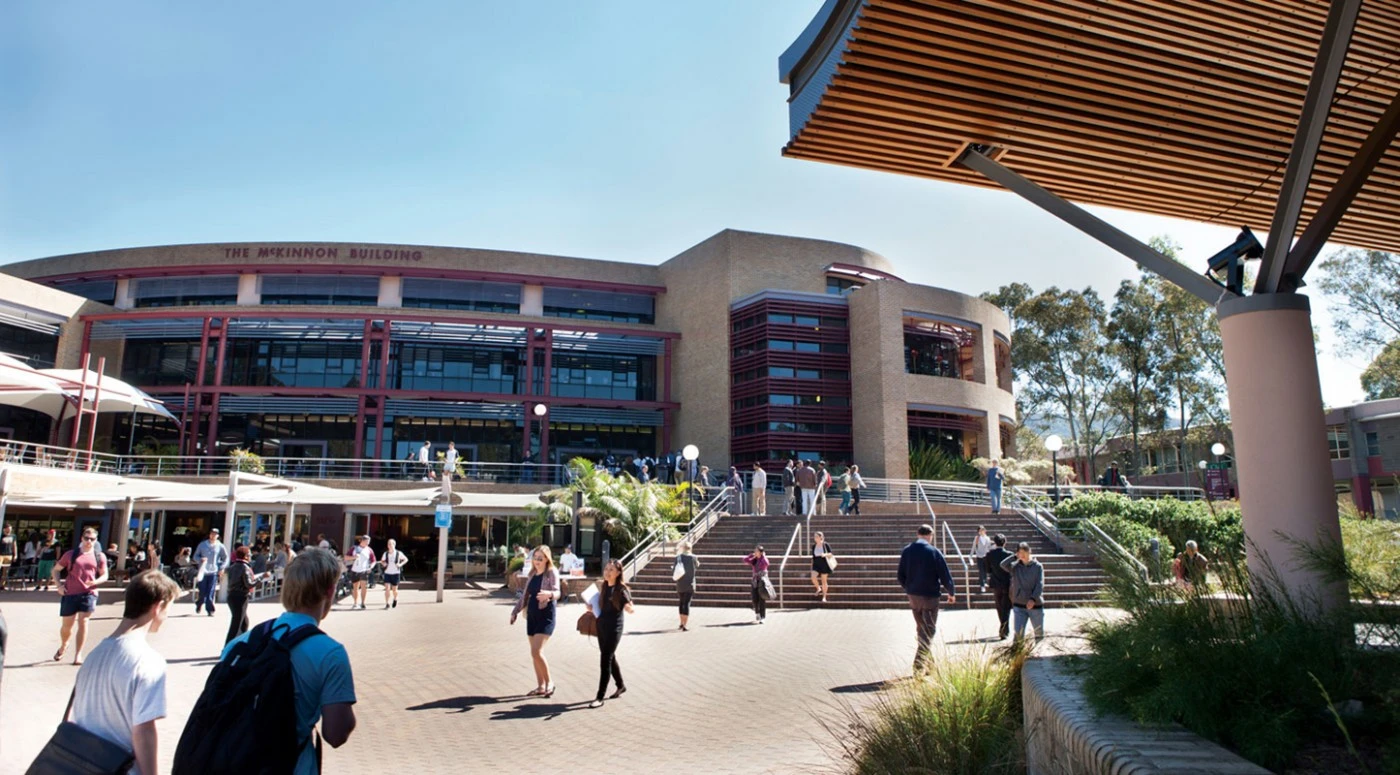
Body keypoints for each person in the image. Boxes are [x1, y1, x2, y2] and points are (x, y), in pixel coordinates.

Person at [219, 548, 358, 773]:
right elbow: (335, 734)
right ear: (330, 591)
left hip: (231, 761)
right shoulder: (330, 653)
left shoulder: (241, 644)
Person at [67, 570, 181, 775]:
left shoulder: (93, 655)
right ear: (158, 606)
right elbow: (143, 730)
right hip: (120, 768)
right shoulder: (148, 661)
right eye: (169, 608)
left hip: (83, 764)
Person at [897, 524, 956, 674]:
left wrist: (909, 588)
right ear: (930, 535)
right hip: (930, 595)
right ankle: (919, 664)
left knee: (921, 628)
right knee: (929, 630)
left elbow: (900, 575)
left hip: (913, 595)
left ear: (917, 534)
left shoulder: (907, 551)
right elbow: (944, 574)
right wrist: (951, 592)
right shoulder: (934, 551)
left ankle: (930, 665)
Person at [53, 526, 110, 664]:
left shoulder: (99, 556)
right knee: (67, 626)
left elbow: (105, 574)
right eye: (86, 538)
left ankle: (78, 654)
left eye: (92, 539)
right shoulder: (71, 554)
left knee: (83, 622)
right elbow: (55, 570)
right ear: (81, 538)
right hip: (70, 592)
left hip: (88, 593)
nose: (89, 541)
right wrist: (59, 586)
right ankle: (64, 644)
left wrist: (95, 581)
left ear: (96, 540)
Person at [509, 546, 560, 697]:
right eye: (535, 557)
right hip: (532, 616)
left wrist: (549, 594)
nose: (537, 561)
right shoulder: (532, 573)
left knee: (536, 651)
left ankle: (550, 682)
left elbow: (558, 592)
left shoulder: (551, 572)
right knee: (535, 654)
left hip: (546, 615)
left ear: (547, 559)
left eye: (540, 558)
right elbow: (525, 596)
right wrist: (515, 612)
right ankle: (540, 686)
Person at [589, 559, 635, 708]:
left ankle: (599, 697)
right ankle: (621, 685)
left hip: (614, 627)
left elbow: (629, 604)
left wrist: (629, 608)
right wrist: (590, 607)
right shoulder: (603, 586)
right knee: (610, 656)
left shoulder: (621, 589)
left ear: (618, 573)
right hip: (601, 625)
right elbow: (600, 606)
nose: (607, 572)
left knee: (605, 659)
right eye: (606, 569)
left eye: (611, 570)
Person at [224, 545, 270, 644]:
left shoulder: (232, 567)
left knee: (244, 622)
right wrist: (262, 577)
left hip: (232, 596)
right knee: (236, 624)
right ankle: (228, 646)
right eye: (249, 555)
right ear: (245, 556)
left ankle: (242, 642)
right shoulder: (245, 568)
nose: (250, 557)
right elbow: (249, 584)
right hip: (240, 597)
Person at [1001, 542, 1045, 642]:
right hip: (1019, 604)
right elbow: (1002, 564)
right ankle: (1017, 654)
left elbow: (1040, 584)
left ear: (1030, 552)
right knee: (1018, 633)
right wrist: (1014, 557)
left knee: (1038, 633)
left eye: (1025, 552)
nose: (1023, 555)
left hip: (1035, 605)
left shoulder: (1038, 566)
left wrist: (1033, 599)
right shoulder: (1015, 567)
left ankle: (1038, 654)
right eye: (1020, 552)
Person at [193, 528, 229, 617]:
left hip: (213, 571)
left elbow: (226, 558)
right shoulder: (202, 545)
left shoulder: (220, 546)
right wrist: (200, 560)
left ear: (218, 536)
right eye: (212, 533)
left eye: (215, 534)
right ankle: (199, 603)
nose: (213, 535)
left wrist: (222, 567)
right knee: (202, 591)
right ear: (209, 534)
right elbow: (195, 556)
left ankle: (210, 610)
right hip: (203, 571)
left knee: (210, 592)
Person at [984, 534, 1014, 640]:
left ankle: (1003, 628)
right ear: (1005, 542)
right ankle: (1004, 629)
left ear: (995, 543)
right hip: (1007, 583)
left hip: (996, 583)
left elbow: (988, 570)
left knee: (999, 607)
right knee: (1006, 607)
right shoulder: (1009, 554)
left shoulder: (990, 554)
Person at [346, 535, 376, 610]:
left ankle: (363, 603)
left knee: (364, 587)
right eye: (366, 541)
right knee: (355, 587)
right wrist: (354, 557)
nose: (367, 543)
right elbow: (346, 557)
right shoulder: (354, 548)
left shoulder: (369, 550)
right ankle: (355, 603)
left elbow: (374, 560)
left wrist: (371, 567)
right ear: (362, 541)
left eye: (368, 542)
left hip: (364, 570)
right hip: (355, 570)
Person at [674, 541, 699, 631]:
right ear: (690, 548)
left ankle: (681, 623)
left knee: (681, 602)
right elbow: (697, 565)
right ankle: (685, 624)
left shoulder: (678, 557)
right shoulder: (694, 557)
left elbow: (674, 570)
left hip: (680, 583)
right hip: (690, 584)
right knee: (687, 603)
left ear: (683, 548)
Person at [744, 545, 770, 624]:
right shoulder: (754, 560)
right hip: (755, 581)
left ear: (761, 552)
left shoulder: (763, 560)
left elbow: (766, 563)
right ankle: (757, 613)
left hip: (762, 581)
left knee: (762, 599)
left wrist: (763, 556)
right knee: (755, 598)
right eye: (755, 550)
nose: (755, 552)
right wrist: (751, 555)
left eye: (757, 551)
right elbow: (745, 560)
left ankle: (763, 617)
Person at [380, 539, 407, 609]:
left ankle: (395, 599)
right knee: (387, 589)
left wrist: (400, 564)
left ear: (394, 545)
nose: (389, 545)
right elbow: (382, 561)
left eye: (391, 544)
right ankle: (387, 603)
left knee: (394, 590)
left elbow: (406, 559)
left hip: (396, 573)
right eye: (388, 544)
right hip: (387, 573)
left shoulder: (398, 553)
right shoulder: (385, 553)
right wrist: (384, 563)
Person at [811, 531, 836, 603]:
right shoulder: (813, 546)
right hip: (816, 564)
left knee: (824, 581)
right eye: (814, 537)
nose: (815, 538)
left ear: (820, 537)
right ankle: (818, 588)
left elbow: (831, 554)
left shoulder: (825, 545)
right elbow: (813, 557)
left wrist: (825, 554)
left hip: (824, 564)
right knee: (813, 577)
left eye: (816, 537)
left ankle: (824, 597)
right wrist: (812, 565)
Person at [972, 526, 994, 592]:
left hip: (986, 556)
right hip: (979, 556)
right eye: (980, 530)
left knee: (985, 570)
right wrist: (971, 556)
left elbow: (989, 547)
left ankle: (985, 582)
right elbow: (973, 547)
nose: (982, 532)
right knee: (981, 570)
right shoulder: (977, 538)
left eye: (983, 530)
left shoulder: (987, 538)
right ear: (978, 532)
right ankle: (982, 585)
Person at [0, 524, 15, 590]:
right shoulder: (1, 535)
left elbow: (14, 545)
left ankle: (2, 585)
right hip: (1, 554)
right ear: (4, 529)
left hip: (9, 554)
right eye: (8, 529)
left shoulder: (13, 536)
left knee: (5, 571)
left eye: (10, 529)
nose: (9, 531)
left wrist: (15, 554)